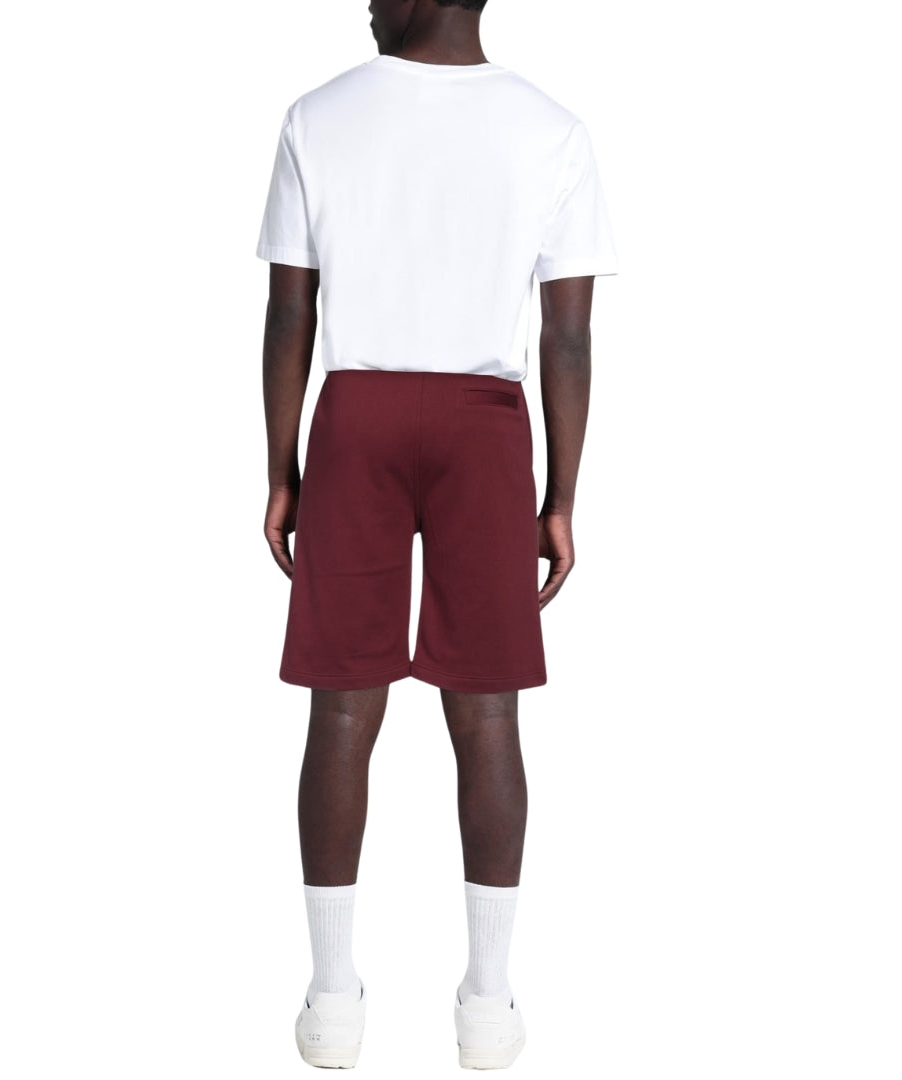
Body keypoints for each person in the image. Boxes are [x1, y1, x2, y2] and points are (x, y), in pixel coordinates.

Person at [255, 0, 618, 1068]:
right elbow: (567, 334)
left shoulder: (317, 116)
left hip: (356, 415)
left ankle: (333, 1000)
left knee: (341, 705)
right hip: (484, 423)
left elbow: (290, 314)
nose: (366, 1)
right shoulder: (551, 128)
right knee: (488, 710)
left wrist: (281, 468)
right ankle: (488, 1005)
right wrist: (561, 494)